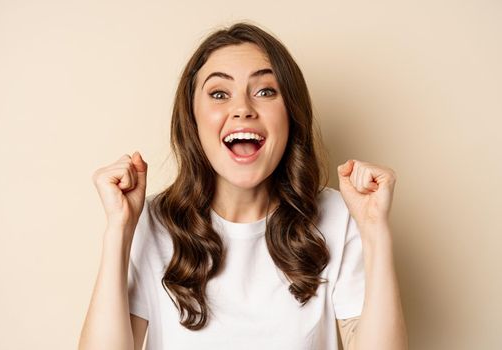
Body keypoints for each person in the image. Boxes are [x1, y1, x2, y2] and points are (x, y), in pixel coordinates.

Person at [78, 22, 408, 350]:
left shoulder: (337, 216)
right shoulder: (152, 222)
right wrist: (119, 231)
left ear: (291, 113)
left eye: (265, 91)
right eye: (219, 94)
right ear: (192, 119)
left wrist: (375, 230)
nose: (242, 110)